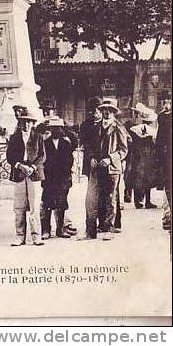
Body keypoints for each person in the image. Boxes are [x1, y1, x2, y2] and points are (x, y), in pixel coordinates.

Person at [6, 108, 45, 246]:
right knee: (19, 206)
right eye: (24, 122)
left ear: (33, 123)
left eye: (29, 122)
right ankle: (20, 236)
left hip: (34, 174)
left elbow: (42, 156)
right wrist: (19, 165)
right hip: (19, 174)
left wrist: (33, 167)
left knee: (34, 206)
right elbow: (9, 156)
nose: (27, 125)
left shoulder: (38, 137)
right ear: (20, 123)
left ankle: (36, 236)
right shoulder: (14, 138)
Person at [96, 98, 128, 241]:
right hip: (99, 167)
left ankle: (110, 227)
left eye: (110, 110)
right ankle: (103, 224)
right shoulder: (97, 127)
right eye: (104, 110)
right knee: (101, 196)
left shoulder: (118, 128)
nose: (107, 113)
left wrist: (110, 159)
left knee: (111, 197)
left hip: (113, 168)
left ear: (114, 113)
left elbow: (123, 150)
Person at [40, 116, 77, 239]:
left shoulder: (66, 143)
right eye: (53, 128)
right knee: (47, 204)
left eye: (58, 128)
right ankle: (46, 230)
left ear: (62, 129)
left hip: (63, 178)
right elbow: (43, 161)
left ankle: (60, 229)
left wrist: (65, 175)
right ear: (50, 129)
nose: (56, 131)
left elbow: (69, 161)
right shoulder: (44, 143)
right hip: (49, 178)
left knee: (61, 203)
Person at [79, 97, 103, 239]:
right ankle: (91, 227)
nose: (94, 113)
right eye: (91, 110)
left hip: (105, 163)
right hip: (91, 163)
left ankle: (108, 224)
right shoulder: (85, 125)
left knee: (107, 195)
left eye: (97, 110)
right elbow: (84, 143)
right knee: (92, 195)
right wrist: (91, 157)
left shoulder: (107, 124)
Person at [129, 103, 158, 209]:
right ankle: (147, 201)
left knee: (139, 177)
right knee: (147, 177)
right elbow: (154, 143)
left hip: (138, 155)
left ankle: (138, 201)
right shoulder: (152, 131)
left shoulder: (134, 129)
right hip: (147, 155)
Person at [155, 90, 172, 232]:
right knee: (168, 187)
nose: (166, 103)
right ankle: (168, 216)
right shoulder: (161, 117)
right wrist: (158, 158)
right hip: (166, 158)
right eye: (163, 100)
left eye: (168, 100)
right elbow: (160, 139)